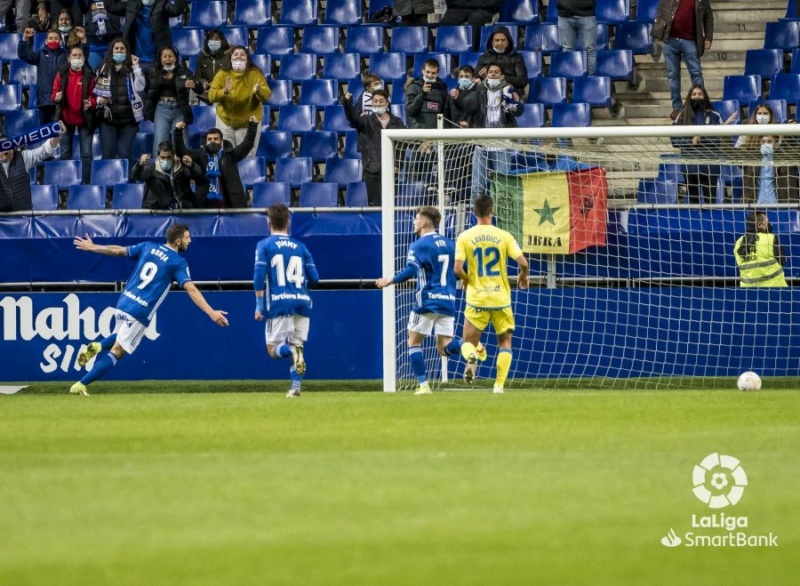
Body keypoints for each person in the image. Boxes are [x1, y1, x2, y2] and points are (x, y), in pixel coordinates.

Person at [69, 223, 229, 396]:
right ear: (177, 241)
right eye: (187, 237)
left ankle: (98, 346)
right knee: (118, 352)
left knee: (121, 335)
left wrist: (92, 247)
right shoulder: (178, 262)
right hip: (140, 311)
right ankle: (80, 384)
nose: (190, 241)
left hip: (124, 302)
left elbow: (117, 250)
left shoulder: (148, 246)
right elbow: (191, 288)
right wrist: (211, 312)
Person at [376, 206, 465, 395]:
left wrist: (390, 280)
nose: (414, 222)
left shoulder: (418, 245)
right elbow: (457, 271)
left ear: (423, 222)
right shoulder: (451, 244)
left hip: (426, 301)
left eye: (416, 218)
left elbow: (411, 270)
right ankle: (468, 346)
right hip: (448, 300)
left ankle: (424, 385)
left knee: (413, 341)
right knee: (444, 348)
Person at [454, 194, 529, 394]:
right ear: (492, 212)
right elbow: (523, 262)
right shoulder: (504, 235)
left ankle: (472, 357)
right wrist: (523, 276)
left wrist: (468, 280)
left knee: (467, 342)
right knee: (505, 342)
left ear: (474, 212)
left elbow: (457, 269)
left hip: (477, 298)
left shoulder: (465, 236)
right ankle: (499, 385)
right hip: (500, 299)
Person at [254, 204, 319, 397]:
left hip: (279, 303)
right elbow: (315, 278)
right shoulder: (301, 247)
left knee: (273, 349)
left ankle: (291, 353)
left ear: (269, 222)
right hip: (302, 301)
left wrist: (259, 305)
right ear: (288, 222)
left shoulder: (264, 245)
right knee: (297, 344)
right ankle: (295, 388)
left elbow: (258, 276)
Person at [652, 0, 714, 120]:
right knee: (673, 75)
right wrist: (660, 31)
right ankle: (677, 107)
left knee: (696, 73)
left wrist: (708, 37)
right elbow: (661, 13)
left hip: (691, 41)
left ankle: (700, 105)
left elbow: (708, 17)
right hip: (671, 41)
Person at [342, 88, 405, 206]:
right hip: (372, 170)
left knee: (391, 204)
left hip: (391, 170)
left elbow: (402, 145)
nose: (378, 104)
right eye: (375, 101)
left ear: (387, 103)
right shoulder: (365, 120)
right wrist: (347, 103)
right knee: (374, 204)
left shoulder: (397, 123)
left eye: (381, 101)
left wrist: (398, 165)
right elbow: (353, 119)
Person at [173, 119, 257, 208]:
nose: (212, 141)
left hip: (230, 203)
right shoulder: (200, 156)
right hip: (206, 204)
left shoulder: (231, 155)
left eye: (216, 139)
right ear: (205, 142)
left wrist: (252, 126)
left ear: (222, 142)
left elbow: (247, 145)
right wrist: (178, 132)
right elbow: (181, 152)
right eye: (209, 139)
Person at [470, 63, 523, 198]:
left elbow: (518, 112)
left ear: (502, 75)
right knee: (477, 187)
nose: (493, 74)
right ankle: (476, 217)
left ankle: (502, 216)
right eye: (490, 72)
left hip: (502, 144)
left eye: (496, 72)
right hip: (482, 143)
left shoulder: (509, 90)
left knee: (503, 185)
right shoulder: (479, 90)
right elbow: (468, 107)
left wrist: (516, 106)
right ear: (486, 75)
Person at [208, 46, 271, 157]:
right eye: (235, 54)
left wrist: (259, 90)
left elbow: (267, 95)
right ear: (230, 58)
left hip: (248, 123)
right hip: (225, 122)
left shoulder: (255, 74)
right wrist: (225, 91)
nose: (239, 56)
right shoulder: (222, 73)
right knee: (226, 157)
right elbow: (211, 96)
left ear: (247, 59)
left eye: (242, 54)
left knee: (247, 157)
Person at [93, 38, 145, 163]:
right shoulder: (103, 68)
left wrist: (136, 66)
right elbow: (96, 92)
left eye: (122, 49)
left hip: (128, 120)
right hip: (108, 120)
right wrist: (100, 100)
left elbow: (140, 87)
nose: (119, 51)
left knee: (124, 155)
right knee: (108, 154)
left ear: (127, 51)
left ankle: (126, 181)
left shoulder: (133, 69)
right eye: (116, 49)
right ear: (112, 51)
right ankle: (108, 183)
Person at [52, 45, 97, 185]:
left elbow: (95, 96)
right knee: (65, 152)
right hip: (65, 119)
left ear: (84, 58)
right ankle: (66, 184)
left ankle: (86, 184)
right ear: (68, 58)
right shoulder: (62, 73)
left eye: (80, 56)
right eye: (74, 56)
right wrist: (56, 97)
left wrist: (92, 103)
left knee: (86, 154)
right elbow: (54, 93)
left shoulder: (89, 75)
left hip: (85, 119)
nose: (77, 58)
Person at [671, 84, 722, 205]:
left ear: (705, 96)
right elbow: (674, 140)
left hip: (710, 165)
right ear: (689, 96)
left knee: (710, 202)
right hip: (690, 165)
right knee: (693, 202)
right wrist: (690, 141)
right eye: (694, 94)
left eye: (699, 94)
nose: (696, 97)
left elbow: (719, 139)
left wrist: (702, 139)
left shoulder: (715, 115)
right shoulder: (681, 116)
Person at [143, 46, 197, 158]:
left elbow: (198, 89)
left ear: (176, 58)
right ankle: (159, 172)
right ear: (160, 58)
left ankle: (184, 172)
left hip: (179, 109)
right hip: (161, 109)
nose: (168, 59)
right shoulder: (153, 72)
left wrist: (195, 85)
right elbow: (148, 92)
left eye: (170, 56)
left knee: (182, 143)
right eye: (165, 56)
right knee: (160, 142)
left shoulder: (185, 72)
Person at [0, 123, 63, 212]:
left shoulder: (24, 157)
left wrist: (56, 136)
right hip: (3, 218)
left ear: (13, 147)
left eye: (7, 146)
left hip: (24, 215)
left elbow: (44, 151)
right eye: (2, 148)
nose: (5, 150)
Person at [105, 0, 184, 67]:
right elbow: (111, 6)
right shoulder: (131, 4)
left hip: (157, 62)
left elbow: (176, 10)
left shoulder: (162, 4)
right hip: (135, 61)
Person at [131, 142, 203, 209]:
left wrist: (192, 165)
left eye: (169, 157)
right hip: (156, 210)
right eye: (163, 157)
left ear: (173, 155)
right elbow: (135, 176)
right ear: (158, 156)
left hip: (181, 210)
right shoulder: (151, 169)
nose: (166, 160)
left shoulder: (181, 168)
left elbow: (198, 174)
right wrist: (139, 165)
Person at [18, 26, 68, 122]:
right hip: (44, 102)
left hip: (61, 101)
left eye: (56, 38)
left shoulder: (66, 55)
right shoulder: (40, 54)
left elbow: (82, 58)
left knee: (60, 134)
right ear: (46, 41)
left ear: (61, 41)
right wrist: (25, 39)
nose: (53, 40)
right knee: (44, 133)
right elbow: (23, 55)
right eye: (50, 38)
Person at [733, 211, 787, 287]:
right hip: (775, 290)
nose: (769, 224)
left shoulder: (738, 242)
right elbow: (782, 262)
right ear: (760, 225)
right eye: (767, 222)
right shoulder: (770, 239)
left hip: (747, 292)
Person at [475, 27, 528, 97]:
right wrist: (481, 76)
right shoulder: (484, 57)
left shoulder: (516, 57)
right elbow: (475, 77)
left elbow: (522, 81)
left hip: (508, 91)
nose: (500, 43)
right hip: (486, 91)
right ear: (492, 42)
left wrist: (502, 78)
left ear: (508, 41)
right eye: (497, 40)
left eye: (503, 40)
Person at [557, 0, 597, 75]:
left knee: (590, 49)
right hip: (564, 15)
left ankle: (591, 81)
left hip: (587, 14)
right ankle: (570, 80)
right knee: (567, 50)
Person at [193, 28, 232, 105]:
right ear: (207, 41)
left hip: (224, 91)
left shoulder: (228, 57)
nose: (214, 41)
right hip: (207, 92)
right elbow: (197, 76)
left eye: (217, 39)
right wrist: (204, 83)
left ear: (222, 41)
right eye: (211, 38)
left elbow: (232, 75)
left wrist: (216, 84)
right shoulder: (202, 57)